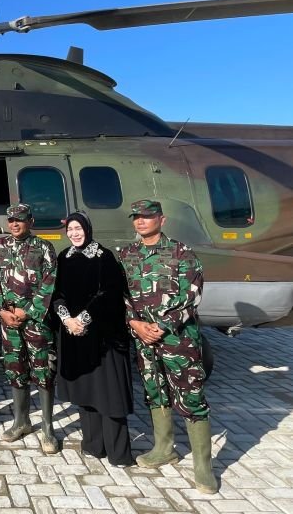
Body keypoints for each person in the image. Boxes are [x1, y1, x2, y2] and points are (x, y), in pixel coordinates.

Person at [120, 199, 216, 493]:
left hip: (178, 339)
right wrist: (134, 323)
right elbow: (119, 294)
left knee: (191, 397)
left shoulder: (182, 253)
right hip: (143, 338)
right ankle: (164, 447)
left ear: (162, 220)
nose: (141, 221)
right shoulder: (127, 254)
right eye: (136, 217)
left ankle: (203, 466)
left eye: (147, 217)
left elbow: (192, 295)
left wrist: (162, 326)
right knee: (155, 391)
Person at [52, 211, 133, 467]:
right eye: (71, 229)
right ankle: (93, 445)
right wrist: (67, 320)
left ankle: (118, 452)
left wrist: (83, 319)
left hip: (104, 337)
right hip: (75, 335)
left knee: (110, 393)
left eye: (79, 228)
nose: (74, 233)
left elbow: (109, 294)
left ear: (88, 228)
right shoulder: (64, 257)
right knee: (86, 391)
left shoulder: (103, 256)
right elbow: (56, 293)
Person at [0, 203, 59, 453]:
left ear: (30, 221)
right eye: (11, 220)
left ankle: (48, 428)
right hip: (10, 322)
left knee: (44, 370)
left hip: (36, 321)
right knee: (15, 368)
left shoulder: (44, 248)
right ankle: (21, 422)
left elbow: (50, 281)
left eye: (20, 220)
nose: (15, 224)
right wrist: (3, 312)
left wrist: (27, 310)